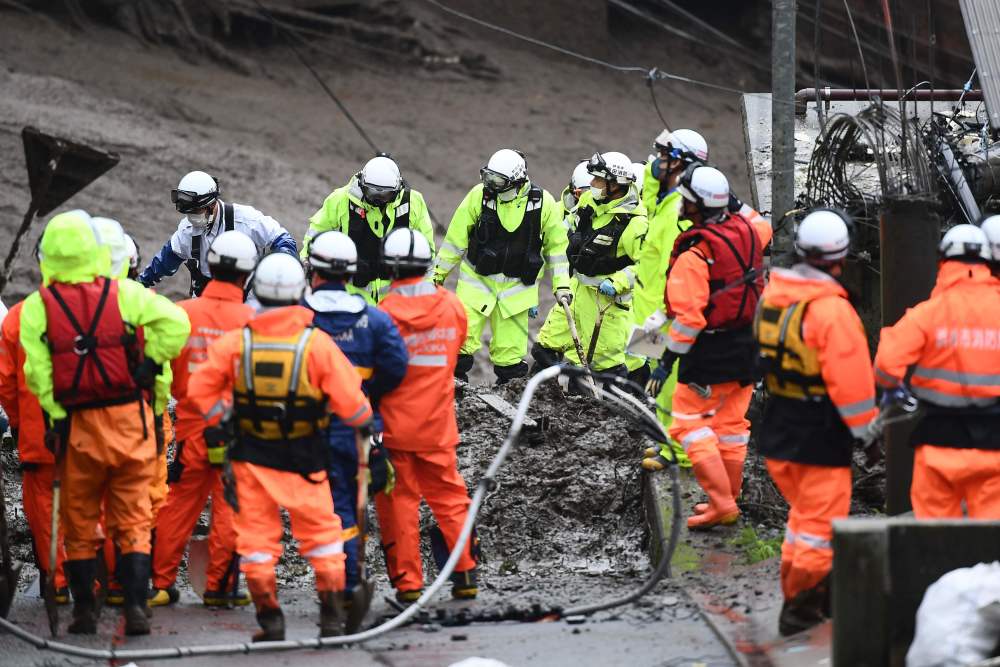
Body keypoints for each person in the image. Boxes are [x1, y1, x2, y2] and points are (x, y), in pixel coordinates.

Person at [187, 253, 374, 641]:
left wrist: (224, 417)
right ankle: (332, 616)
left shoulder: (237, 344)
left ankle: (270, 617)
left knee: (255, 540)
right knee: (324, 535)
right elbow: (353, 406)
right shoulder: (317, 346)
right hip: (305, 458)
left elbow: (199, 389)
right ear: (299, 294)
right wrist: (363, 426)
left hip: (251, 456)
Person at [20, 210, 189, 635]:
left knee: (78, 521)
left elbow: (38, 375)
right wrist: (151, 364)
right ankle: (134, 607)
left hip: (78, 427)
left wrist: (56, 418)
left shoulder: (38, 308)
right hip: (130, 421)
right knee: (132, 515)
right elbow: (176, 322)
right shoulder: (124, 295)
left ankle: (85, 613)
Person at [755, 209, 878, 636]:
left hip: (779, 426)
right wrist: (869, 435)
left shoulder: (773, 296)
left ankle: (813, 592)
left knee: (804, 519)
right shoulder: (832, 313)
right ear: (841, 257)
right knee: (818, 528)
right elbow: (854, 387)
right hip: (819, 434)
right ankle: (801, 608)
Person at [646, 165, 770, 529]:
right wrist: (734, 202)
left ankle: (720, 503)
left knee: (689, 426)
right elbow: (762, 221)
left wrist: (666, 361)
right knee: (731, 426)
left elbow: (690, 320)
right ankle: (729, 496)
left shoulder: (694, 255)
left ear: (699, 207)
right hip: (747, 348)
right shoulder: (748, 233)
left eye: (686, 200)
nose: (681, 205)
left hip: (709, 355)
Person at [304, 230, 408, 625]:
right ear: (349, 273)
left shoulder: (300, 315)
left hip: (305, 432)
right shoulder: (373, 318)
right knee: (348, 507)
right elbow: (396, 366)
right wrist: (365, 395)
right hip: (356, 429)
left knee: (317, 511)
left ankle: (333, 585)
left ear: (313, 269)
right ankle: (346, 584)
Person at [150, 231, 257, 608]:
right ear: (247, 274)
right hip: (237, 434)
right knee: (231, 509)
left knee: (177, 506)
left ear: (210, 266)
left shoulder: (182, 313)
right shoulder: (252, 323)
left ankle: (160, 584)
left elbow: (161, 371)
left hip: (191, 431)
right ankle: (219, 588)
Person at [375, 228, 479, 603]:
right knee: (450, 498)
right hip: (437, 425)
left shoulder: (384, 314)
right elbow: (452, 355)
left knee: (399, 504)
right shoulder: (452, 306)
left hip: (395, 429)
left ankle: (408, 585)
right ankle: (465, 574)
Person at [874, 223, 1000, 519]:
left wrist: (893, 389)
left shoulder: (928, 314)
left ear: (942, 262)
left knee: (932, 542)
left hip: (937, 443)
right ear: (986, 262)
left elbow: (886, 363)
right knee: (992, 545)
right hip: (994, 446)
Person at [434, 149, 570, 383]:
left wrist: (562, 286)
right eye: (488, 178)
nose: (492, 186)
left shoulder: (542, 203)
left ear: (517, 181)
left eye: (498, 181)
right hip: (477, 285)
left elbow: (557, 249)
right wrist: (438, 273)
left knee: (511, 359)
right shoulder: (480, 196)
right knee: (459, 345)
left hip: (516, 294)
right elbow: (455, 240)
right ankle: (452, 394)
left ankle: (509, 400)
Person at [532, 151, 647, 376]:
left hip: (606, 303)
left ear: (616, 184)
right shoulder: (588, 202)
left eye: (598, 180)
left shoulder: (635, 224)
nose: (592, 184)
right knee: (544, 348)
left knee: (606, 367)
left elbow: (648, 267)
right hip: (578, 292)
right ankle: (540, 397)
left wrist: (619, 281)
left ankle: (611, 408)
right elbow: (567, 228)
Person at [633, 130, 708, 471]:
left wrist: (670, 309)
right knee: (655, 375)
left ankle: (677, 452)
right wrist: (653, 178)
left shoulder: (683, 208)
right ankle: (665, 439)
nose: (655, 162)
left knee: (672, 381)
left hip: (669, 309)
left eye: (662, 156)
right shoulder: (666, 199)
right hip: (650, 307)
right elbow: (648, 206)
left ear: (679, 161)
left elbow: (678, 267)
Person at [0, 274, 69, 607]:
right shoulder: (109, 308)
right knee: (93, 505)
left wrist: (16, 422)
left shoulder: (20, 314)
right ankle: (98, 585)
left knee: (43, 508)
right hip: (92, 435)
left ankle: (54, 583)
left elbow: (6, 381)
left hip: (37, 434)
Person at [302, 156, 436, 305]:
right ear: (362, 183)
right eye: (372, 193)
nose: (378, 199)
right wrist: (308, 265)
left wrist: (428, 288)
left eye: (385, 194)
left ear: (397, 188)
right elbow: (316, 233)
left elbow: (426, 248)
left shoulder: (414, 202)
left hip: (397, 299)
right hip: (351, 296)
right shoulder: (340, 200)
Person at [138, 170, 297, 296]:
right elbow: (165, 261)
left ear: (211, 204)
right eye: (188, 213)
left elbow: (284, 240)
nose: (191, 217)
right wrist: (139, 283)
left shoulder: (246, 220)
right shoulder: (187, 230)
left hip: (246, 304)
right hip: (206, 300)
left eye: (196, 211)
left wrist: (282, 267)